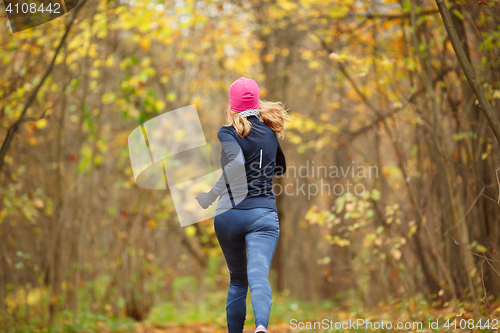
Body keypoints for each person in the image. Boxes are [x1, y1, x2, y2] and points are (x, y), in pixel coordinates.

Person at [196, 77, 290, 333]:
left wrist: (210, 196)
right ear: (256, 103)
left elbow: (235, 165)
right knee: (258, 276)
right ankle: (261, 327)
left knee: (238, 281)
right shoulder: (270, 132)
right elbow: (281, 167)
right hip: (262, 216)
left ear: (232, 106)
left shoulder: (228, 132)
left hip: (229, 215)